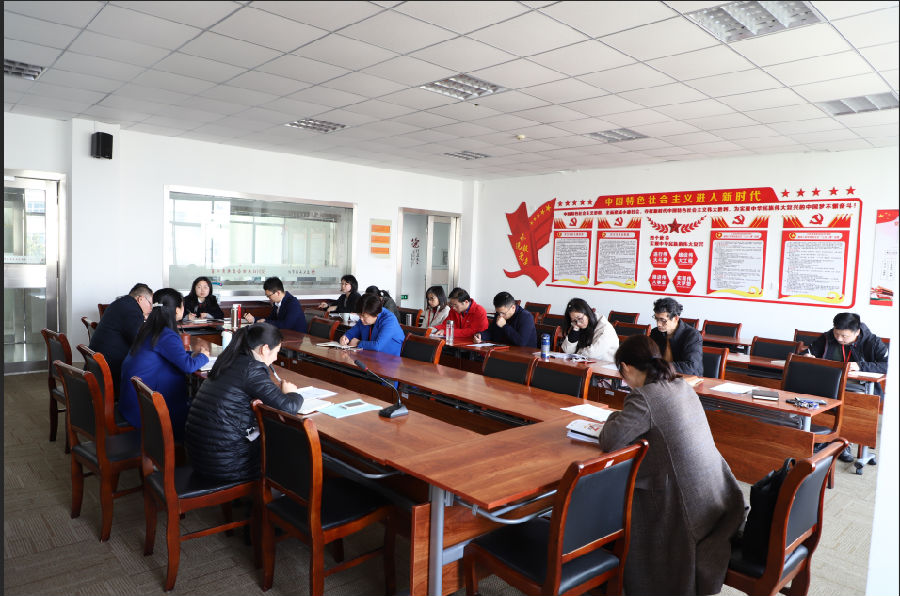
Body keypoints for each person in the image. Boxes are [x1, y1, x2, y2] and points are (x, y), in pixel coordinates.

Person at [599, 335, 745, 595]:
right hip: (717, 498)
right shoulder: (681, 385)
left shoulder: (644, 397)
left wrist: (613, 416)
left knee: (614, 490)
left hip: (687, 511)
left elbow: (610, 440)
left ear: (625, 368)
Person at [185, 323, 304, 482]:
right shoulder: (251, 369)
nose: (276, 358)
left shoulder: (229, 360)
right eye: (276, 352)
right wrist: (292, 393)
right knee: (288, 446)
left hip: (199, 456)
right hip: (225, 464)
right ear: (264, 349)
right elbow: (288, 407)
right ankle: (279, 492)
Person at [118, 288, 209, 440]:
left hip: (133, 402)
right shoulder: (166, 334)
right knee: (203, 410)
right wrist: (204, 357)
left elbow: (168, 354)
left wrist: (191, 354)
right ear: (177, 309)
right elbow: (188, 366)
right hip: (147, 410)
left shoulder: (149, 328)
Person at [808, 312, 889, 462]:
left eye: (844, 336)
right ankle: (823, 438)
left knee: (851, 404)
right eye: (837, 333)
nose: (839, 339)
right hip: (829, 382)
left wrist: (860, 365)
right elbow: (809, 352)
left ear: (857, 332)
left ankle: (843, 442)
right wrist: (807, 356)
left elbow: (888, 365)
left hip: (858, 386)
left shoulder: (873, 342)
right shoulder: (828, 337)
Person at [88, 283, 154, 395]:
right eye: (150, 304)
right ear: (140, 299)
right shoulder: (133, 311)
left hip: (98, 368)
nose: (151, 308)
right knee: (155, 368)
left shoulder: (121, 303)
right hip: (111, 372)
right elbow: (139, 343)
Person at [649, 297, 703, 376]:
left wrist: (659, 365)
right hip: (662, 376)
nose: (658, 324)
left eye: (663, 320)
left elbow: (690, 366)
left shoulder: (692, 335)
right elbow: (648, 356)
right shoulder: (655, 332)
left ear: (676, 318)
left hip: (685, 378)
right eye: (656, 319)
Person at [339, 293, 405, 356]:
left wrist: (358, 343)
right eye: (359, 315)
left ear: (376, 314)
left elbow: (377, 346)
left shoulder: (389, 320)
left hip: (388, 359)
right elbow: (352, 332)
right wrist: (345, 337)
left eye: (364, 316)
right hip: (368, 355)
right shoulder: (365, 317)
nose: (361, 319)